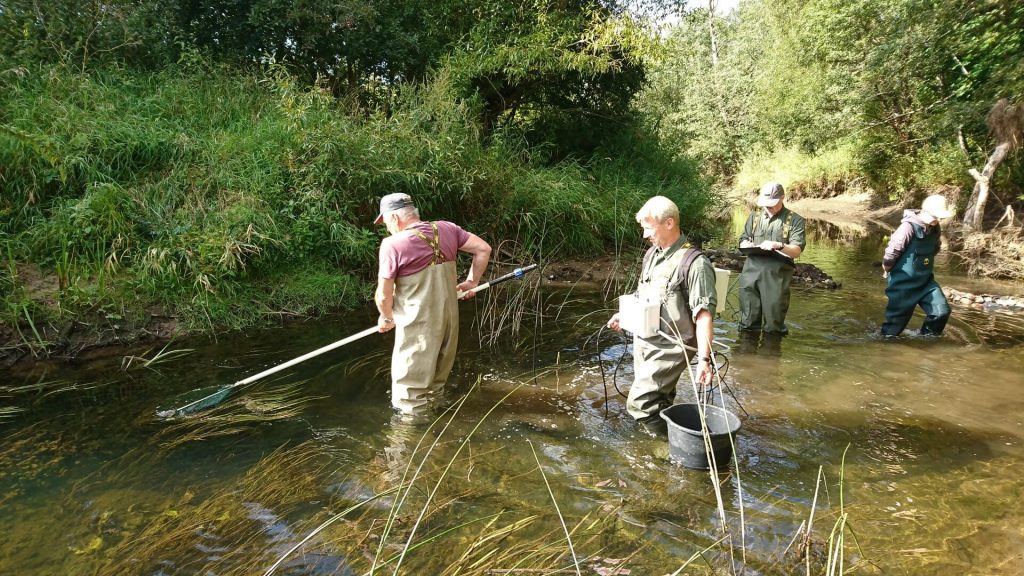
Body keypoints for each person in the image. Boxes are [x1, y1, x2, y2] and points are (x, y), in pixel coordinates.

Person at [607, 196, 718, 437]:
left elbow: (704, 316)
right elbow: (643, 294)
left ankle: (663, 446)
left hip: (673, 347)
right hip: (646, 341)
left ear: (669, 223)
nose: (645, 234)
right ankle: (677, 441)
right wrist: (623, 315)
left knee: (640, 404)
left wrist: (704, 360)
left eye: (649, 227)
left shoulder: (695, 263)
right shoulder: (652, 255)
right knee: (658, 400)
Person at [374, 193, 492, 414]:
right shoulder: (447, 229)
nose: (387, 229)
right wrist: (471, 282)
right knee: (436, 385)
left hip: (418, 328)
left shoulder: (393, 244)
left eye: (386, 223)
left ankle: (409, 439)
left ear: (394, 219)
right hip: (449, 323)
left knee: (409, 395)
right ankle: (437, 421)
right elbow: (483, 249)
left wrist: (386, 318)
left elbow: (383, 295)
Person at [880, 194, 953, 337]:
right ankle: (884, 345)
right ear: (925, 211)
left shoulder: (935, 228)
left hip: (926, 283)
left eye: (940, 218)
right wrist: (886, 269)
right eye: (935, 216)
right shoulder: (907, 228)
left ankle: (927, 340)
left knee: (942, 311)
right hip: (903, 284)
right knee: (893, 331)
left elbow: (935, 248)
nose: (938, 220)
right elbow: (891, 253)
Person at [738, 182, 806, 334]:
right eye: (765, 204)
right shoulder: (754, 217)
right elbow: (742, 240)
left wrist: (778, 245)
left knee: (773, 327)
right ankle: (745, 355)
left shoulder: (795, 220)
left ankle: (772, 354)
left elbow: (796, 251)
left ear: (782, 198)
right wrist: (745, 243)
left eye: (772, 204)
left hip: (776, 278)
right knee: (747, 323)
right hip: (750, 275)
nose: (768, 207)